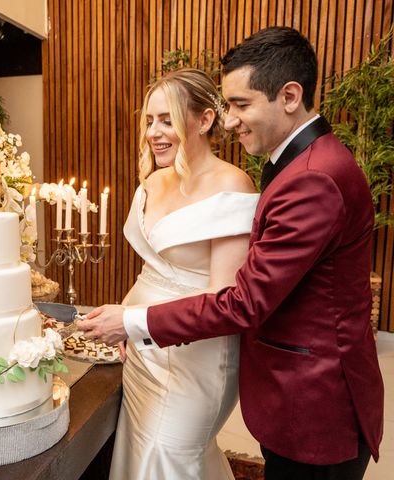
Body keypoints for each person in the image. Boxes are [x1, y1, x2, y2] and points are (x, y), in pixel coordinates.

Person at [79, 27, 384, 480]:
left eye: (241, 105)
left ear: (289, 95)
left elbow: (245, 300)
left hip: (315, 405)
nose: (230, 120)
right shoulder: (297, 163)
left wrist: (131, 322)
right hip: (281, 388)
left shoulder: (314, 176)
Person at [105, 67, 258, 480]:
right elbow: (151, 269)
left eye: (167, 120)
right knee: (137, 453)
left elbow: (225, 299)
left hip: (198, 356)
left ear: (205, 120)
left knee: (168, 455)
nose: (154, 132)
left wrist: (133, 323)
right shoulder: (153, 182)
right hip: (140, 350)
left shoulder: (232, 186)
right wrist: (124, 320)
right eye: (150, 121)